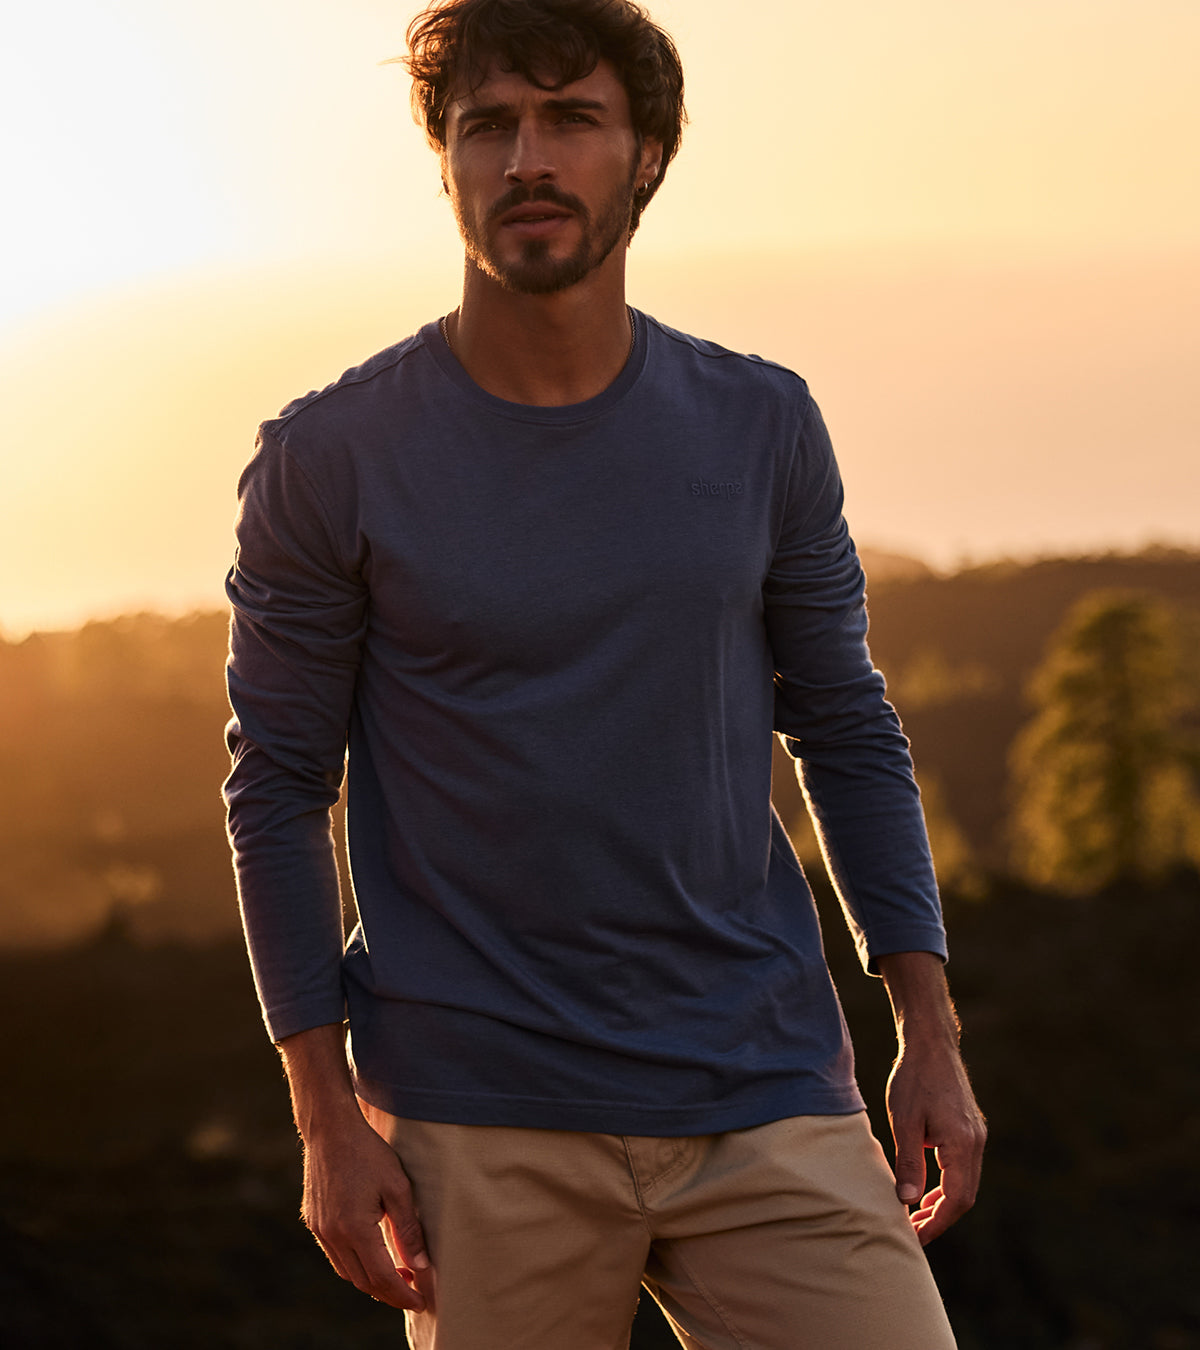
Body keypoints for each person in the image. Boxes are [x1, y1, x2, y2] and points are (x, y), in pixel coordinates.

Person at [222, 1, 986, 1346]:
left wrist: (927, 1024)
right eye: (488, 127)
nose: (528, 158)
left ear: (645, 158)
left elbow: (847, 729)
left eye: (572, 118)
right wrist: (324, 1113)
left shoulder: (762, 425)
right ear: (449, 163)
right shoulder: (328, 460)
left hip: (765, 1091)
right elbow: (278, 788)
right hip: (477, 1117)